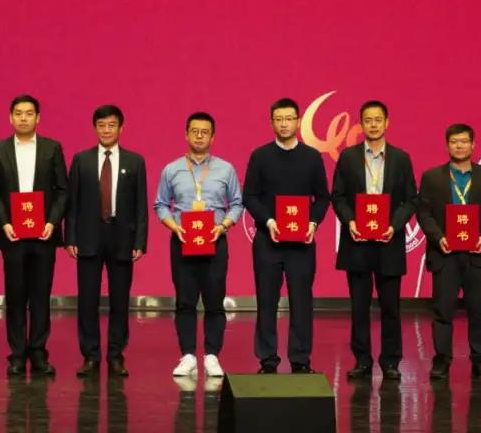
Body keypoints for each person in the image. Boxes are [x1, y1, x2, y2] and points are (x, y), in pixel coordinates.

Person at [242, 97, 330, 374]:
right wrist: (268, 221)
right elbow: (249, 196)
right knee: (266, 300)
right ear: (271, 123)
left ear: (298, 121)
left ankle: (300, 359)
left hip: (302, 242)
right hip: (268, 240)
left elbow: (323, 197)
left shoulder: (312, 157)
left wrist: (313, 222)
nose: (284, 124)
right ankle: (267, 359)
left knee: (301, 302)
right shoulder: (260, 156)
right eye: (278, 119)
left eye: (289, 119)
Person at [330, 100, 417, 380]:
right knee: (359, 307)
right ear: (361, 124)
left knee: (391, 307)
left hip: (389, 242)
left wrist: (394, 225)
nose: (373, 125)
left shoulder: (401, 158)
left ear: (387, 122)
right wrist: (350, 221)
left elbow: (411, 199)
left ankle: (391, 362)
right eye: (368, 120)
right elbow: (338, 196)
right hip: (357, 242)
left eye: (378, 119)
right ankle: (362, 360)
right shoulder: (349, 157)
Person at [154, 112, 243, 378]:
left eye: (205, 132)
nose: (199, 136)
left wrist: (223, 225)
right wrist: (174, 227)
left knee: (214, 301)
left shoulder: (226, 169)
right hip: (183, 240)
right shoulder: (172, 169)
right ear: (186, 134)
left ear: (213, 137)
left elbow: (237, 204)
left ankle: (212, 355)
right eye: (195, 131)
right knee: (185, 301)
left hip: (215, 240)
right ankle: (188, 356)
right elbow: (161, 205)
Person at [0, 94, 68, 376]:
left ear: (38, 118)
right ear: (10, 118)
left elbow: (63, 190)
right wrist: (4, 223)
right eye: (18, 113)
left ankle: (39, 353)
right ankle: (17, 355)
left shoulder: (52, 148)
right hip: (12, 235)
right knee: (16, 295)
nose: (23, 118)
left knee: (41, 296)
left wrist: (52, 222)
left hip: (44, 234)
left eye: (29, 113)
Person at [65, 104, 148, 378]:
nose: (106, 130)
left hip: (122, 237)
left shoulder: (135, 161)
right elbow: (72, 203)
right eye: (101, 125)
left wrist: (140, 241)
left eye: (112, 125)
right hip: (88, 237)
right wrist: (70, 237)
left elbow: (141, 206)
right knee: (87, 300)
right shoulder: (81, 160)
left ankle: (115, 355)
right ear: (94, 128)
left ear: (121, 128)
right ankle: (90, 355)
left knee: (120, 301)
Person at [417, 123, 481, 381]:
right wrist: (439, 238)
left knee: (478, 310)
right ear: (447, 146)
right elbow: (423, 213)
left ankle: (480, 360)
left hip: (477, 254)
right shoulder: (432, 177)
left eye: (464, 141)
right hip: (445, 254)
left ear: (473, 145)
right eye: (454, 142)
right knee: (443, 311)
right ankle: (442, 361)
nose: (459, 146)